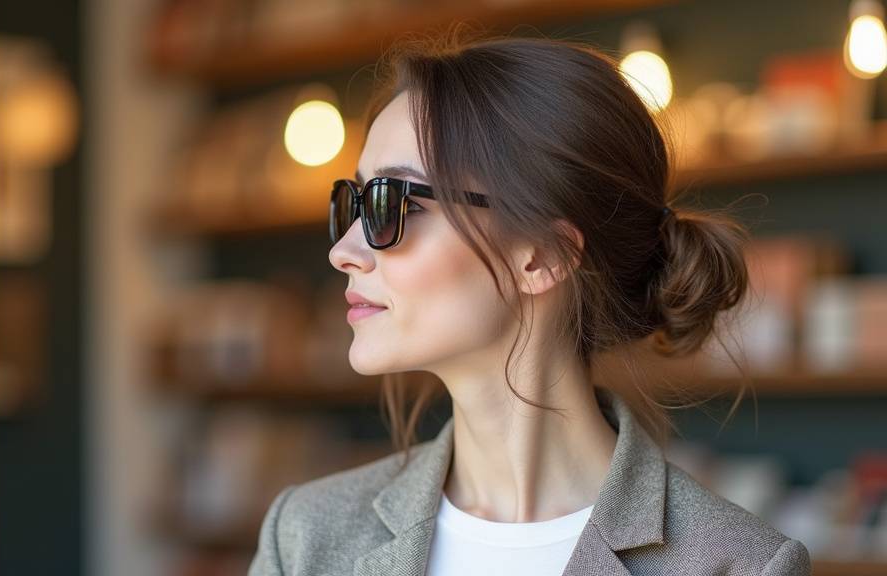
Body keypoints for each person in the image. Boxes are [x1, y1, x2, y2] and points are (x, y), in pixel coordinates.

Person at [249, 32, 811, 576]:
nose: (343, 251)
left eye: (391, 202)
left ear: (544, 255)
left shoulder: (738, 565)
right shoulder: (306, 533)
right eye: (352, 203)